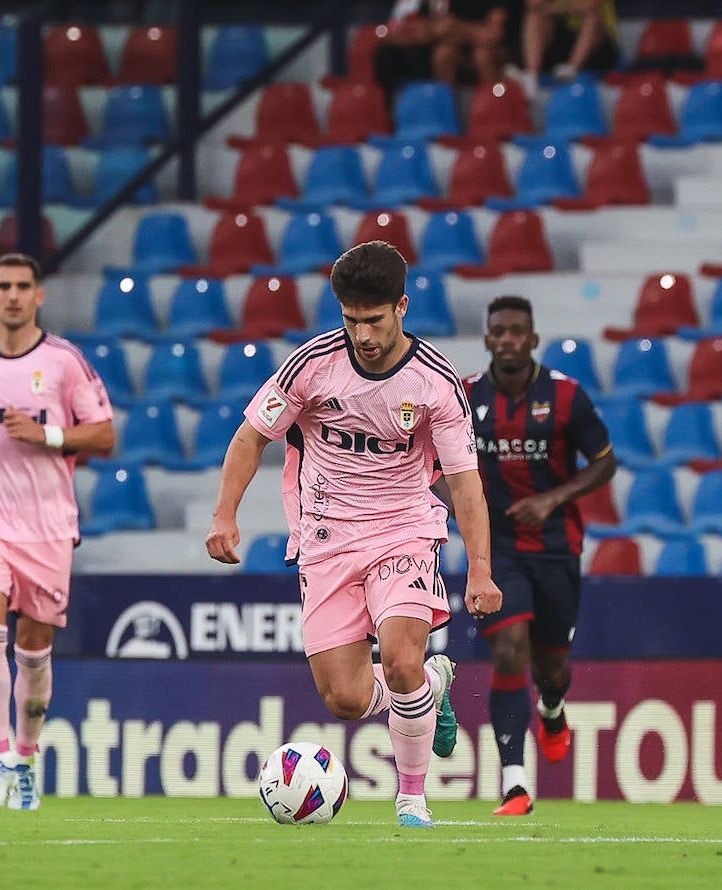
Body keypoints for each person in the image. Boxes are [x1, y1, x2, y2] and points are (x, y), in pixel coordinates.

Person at [206, 241, 502, 829]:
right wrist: (224, 514)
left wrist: (482, 569)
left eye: (373, 319)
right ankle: (430, 684)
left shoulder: (436, 383)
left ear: (402, 307)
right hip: (326, 538)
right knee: (343, 699)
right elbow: (250, 436)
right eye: (350, 319)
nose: (362, 334)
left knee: (397, 658)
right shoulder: (312, 365)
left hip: (403, 530)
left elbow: (465, 483)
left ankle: (412, 799)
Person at [0, 252, 115, 810]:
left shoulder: (64, 362)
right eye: (3, 286)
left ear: (39, 296)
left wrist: (49, 436)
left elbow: (104, 435)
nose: (12, 295)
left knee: (34, 648)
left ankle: (26, 761)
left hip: (48, 526)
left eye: (23, 286)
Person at [463, 295, 615, 816]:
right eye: (497, 331)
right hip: (497, 551)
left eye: (516, 331)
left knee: (551, 666)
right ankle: (515, 783)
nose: (506, 339)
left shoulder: (568, 397)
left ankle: (552, 710)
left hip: (556, 549)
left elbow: (604, 462)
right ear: (487, 340)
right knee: (509, 650)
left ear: (532, 339)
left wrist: (552, 499)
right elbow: (436, 464)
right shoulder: (466, 398)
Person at [375, 0, 512, 105]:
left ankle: (493, 112)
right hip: (458, 45)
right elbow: (438, 28)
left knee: (482, 55)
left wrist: (455, 28)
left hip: (498, 50)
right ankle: (445, 114)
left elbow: (492, 35)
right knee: (444, 54)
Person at [518, 0, 620, 94]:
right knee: (534, 17)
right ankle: (532, 76)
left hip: (598, 44)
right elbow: (534, 4)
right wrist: (571, 8)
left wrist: (552, 8)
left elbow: (590, 5)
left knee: (592, 17)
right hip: (562, 38)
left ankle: (572, 69)